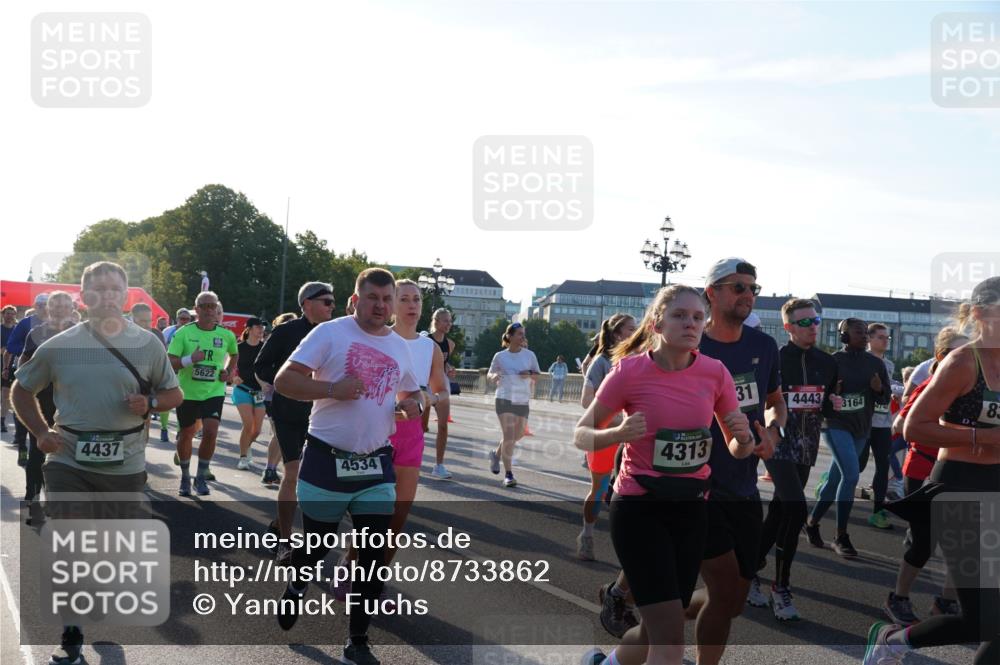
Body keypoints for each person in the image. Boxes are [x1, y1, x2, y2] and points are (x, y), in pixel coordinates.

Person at [11, 261, 182, 665]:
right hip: (69, 458)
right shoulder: (59, 345)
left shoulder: (149, 344)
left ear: (125, 296)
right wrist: (39, 431)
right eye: (98, 289)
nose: (106, 296)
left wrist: (151, 403)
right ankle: (71, 632)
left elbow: (174, 395)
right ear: (83, 297)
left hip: (125, 460)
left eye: (114, 290)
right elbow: (21, 390)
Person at [576, 284, 755, 665]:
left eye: (697, 317)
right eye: (679, 315)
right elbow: (582, 433)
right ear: (657, 323)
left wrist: (744, 438)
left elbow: (738, 449)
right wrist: (617, 434)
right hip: (639, 507)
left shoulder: (715, 373)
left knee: (663, 624)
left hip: (691, 509)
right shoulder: (630, 371)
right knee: (670, 634)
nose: (690, 323)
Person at [273, 268, 422, 665]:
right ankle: (297, 584)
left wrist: (414, 405)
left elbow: (413, 391)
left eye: (387, 299)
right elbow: (285, 380)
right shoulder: (330, 334)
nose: (381, 306)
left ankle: (357, 639)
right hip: (326, 460)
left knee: (373, 554)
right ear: (356, 300)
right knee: (317, 546)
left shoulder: (398, 345)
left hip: (375, 465)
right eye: (372, 298)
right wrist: (331, 390)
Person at [865, 276, 1000, 665]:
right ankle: (893, 643)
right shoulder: (963, 362)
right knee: (981, 621)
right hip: (959, 485)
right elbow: (914, 427)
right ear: (979, 314)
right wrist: (986, 438)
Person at [682, 257, 783, 665]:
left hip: (743, 483)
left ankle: (656, 601)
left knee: (734, 601)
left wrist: (773, 431)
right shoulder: (688, 344)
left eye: (752, 288)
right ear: (712, 293)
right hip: (697, 487)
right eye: (738, 287)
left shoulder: (763, 347)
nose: (747, 295)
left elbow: (775, 402)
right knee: (724, 592)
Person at [336, 279, 450, 600]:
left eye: (417, 299)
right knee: (373, 513)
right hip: (374, 431)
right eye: (404, 299)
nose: (412, 305)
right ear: (391, 304)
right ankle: (352, 564)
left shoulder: (430, 348)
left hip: (411, 433)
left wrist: (426, 399)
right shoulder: (375, 338)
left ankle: (376, 574)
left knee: (398, 516)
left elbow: (440, 390)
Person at [750, 298, 842, 621]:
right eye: (804, 322)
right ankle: (781, 586)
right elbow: (758, 400)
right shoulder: (773, 358)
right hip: (778, 442)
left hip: (807, 446)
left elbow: (825, 406)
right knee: (796, 507)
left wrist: (834, 403)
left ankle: (748, 570)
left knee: (778, 512)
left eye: (815, 320)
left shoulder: (828, 363)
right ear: (788, 327)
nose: (812, 326)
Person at [882, 327, 967, 627]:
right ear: (943, 357)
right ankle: (898, 597)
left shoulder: (976, 390)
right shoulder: (932, 385)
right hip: (924, 470)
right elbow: (899, 425)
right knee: (924, 542)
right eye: (960, 352)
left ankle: (946, 601)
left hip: (962, 473)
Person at [254, 284, 336, 557]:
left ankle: (282, 522)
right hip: (288, 413)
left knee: (317, 479)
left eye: (333, 302)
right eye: (326, 302)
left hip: (322, 415)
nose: (331, 307)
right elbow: (261, 365)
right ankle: (285, 542)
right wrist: (289, 380)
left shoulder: (334, 334)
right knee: (292, 473)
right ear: (306, 303)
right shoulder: (286, 331)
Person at [803, 318, 890, 558]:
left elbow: (885, 401)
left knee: (834, 480)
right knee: (851, 475)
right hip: (834, 424)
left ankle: (811, 523)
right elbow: (817, 396)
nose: (863, 336)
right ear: (843, 336)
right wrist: (833, 393)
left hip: (861, 428)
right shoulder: (832, 362)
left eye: (865, 333)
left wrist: (878, 389)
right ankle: (841, 535)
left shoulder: (876, 363)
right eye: (858, 332)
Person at [577, 315, 637, 563]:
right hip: (604, 434)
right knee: (600, 489)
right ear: (616, 333)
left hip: (631, 436)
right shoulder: (601, 362)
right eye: (631, 329)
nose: (636, 333)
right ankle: (587, 534)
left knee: (631, 491)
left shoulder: (637, 359)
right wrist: (614, 421)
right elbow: (585, 400)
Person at [167, 291, 238, 497]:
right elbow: (170, 361)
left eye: (212, 306)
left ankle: (200, 476)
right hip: (187, 392)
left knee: (211, 431)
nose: (209, 310)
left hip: (213, 391)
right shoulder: (183, 333)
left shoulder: (226, 335)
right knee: (187, 434)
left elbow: (234, 353)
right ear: (196, 309)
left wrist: (229, 371)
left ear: (217, 309)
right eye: (204, 306)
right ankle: (185, 476)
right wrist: (190, 359)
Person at [17, 291, 79, 517]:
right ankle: (33, 502)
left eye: (65, 305)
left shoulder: (80, 332)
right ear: (48, 309)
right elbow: (23, 365)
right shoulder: (37, 333)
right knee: (38, 450)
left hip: (73, 401)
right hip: (43, 400)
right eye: (56, 306)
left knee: (68, 452)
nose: (61, 309)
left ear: (72, 308)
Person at [487, 322, 541, 488]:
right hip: (504, 398)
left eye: (523, 334)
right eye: (519, 333)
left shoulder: (530, 355)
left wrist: (529, 374)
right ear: (509, 336)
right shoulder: (500, 356)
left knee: (518, 435)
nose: (522, 337)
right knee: (509, 436)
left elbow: (538, 375)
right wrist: (494, 376)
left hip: (522, 399)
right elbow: (490, 373)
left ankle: (496, 454)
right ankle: (508, 474)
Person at [866, 322, 905, 529]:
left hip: (882, 423)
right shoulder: (861, 360)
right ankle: (830, 479)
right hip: (863, 422)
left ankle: (877, 512)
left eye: (887, 337)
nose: (885, 340)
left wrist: (891, 393)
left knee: (882, 466)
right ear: (869, 339)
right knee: (858, 464)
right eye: (881, 337)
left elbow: (888, 388)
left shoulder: (889, 365)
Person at [5, 293, 49, 460]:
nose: (45, 308)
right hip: (28, 369)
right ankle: (22, 444)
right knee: (23, 402)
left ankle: (44, 447)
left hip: (49, 374)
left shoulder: (58, 324)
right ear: (36, 306)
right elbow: (11, 345)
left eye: (47, 304)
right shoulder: (25, 323)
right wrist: (29, 350)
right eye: (41, 305)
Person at [258, 312, 297, 488]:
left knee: (284, 434)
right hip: (273, 395)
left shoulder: (302, 342)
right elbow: (260, 365)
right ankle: (271, 469)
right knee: (280, 433)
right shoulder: (276, 340)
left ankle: (274, 469)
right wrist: (264, 383)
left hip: (295, 395)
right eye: (289, 323)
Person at [233, 317, 267, 469]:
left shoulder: (265, 347)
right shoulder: (239, 347)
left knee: (257, 430)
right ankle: (243, 457)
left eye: (263, 327)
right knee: (248, 425)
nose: (261, 330)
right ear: (249, 329)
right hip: (243, 390)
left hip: (259, 392)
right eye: (258, 327)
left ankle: (246, 447)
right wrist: (233, 376)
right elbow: (230, 364)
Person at [426, 307, 456, 479]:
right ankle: (412, 460)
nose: (449, 324)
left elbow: (444, 365)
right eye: (445, 320)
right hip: (424, 384)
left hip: (441, 385)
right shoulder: (425, 341)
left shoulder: (450, 344)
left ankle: (439, 465)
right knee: (420, 427)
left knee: (443, 425)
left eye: (450, 321)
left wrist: (450, 370)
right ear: (435, 321)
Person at [1, 304, 19, 433]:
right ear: (3, 314)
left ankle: (2, 422)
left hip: (10, 366)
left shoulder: (17, 330)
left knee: (6, 395)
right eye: (7, 313)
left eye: (12, 314)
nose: (10, 316)